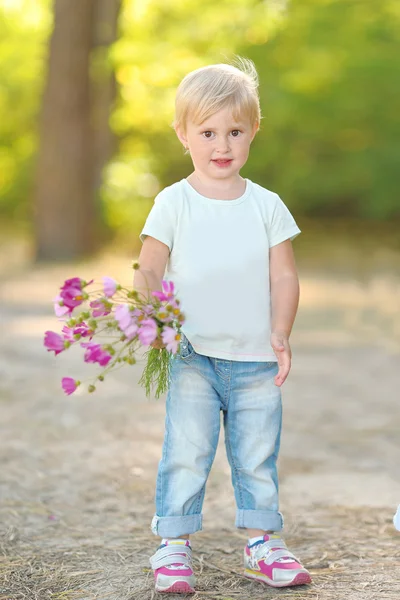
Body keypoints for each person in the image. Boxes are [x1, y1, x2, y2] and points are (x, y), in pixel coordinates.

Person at [134, 58, 312, 594]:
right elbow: (149, 266)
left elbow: (284, 274)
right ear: (183, 134)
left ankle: (262, 542)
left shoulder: (266, 206)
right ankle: (173, 545)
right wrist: (154, 317)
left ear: (254, 130)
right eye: (208, 132)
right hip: (191, 353)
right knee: (187, 449)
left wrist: (281, 330)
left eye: (235, 131)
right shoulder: (174, 202)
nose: (222, 144)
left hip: (256, 357)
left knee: (257, 453)